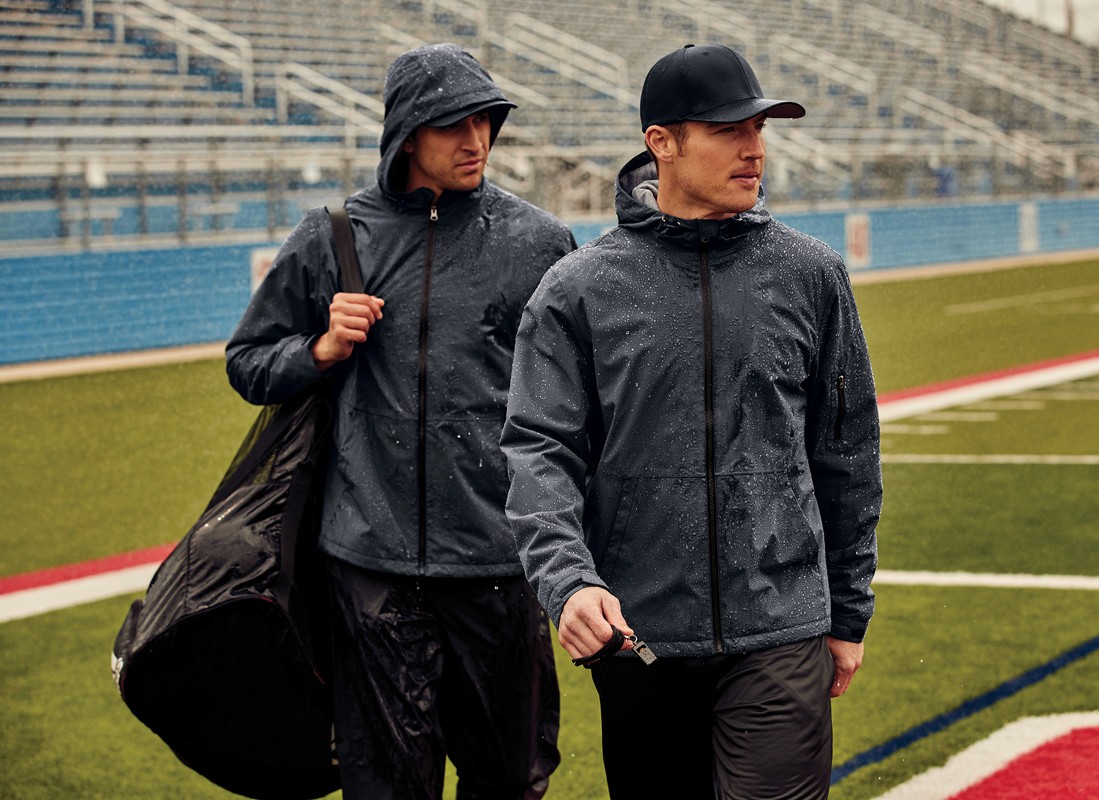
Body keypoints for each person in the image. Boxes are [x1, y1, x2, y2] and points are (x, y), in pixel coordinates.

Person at [501, 44, 882, 799]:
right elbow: (538, 450)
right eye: (728, 129)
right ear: (662, 143)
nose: (754, 148)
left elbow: (847, 450)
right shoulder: (579, 290)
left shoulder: (811, 275)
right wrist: (568, 583)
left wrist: (847, 608)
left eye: (761, 128)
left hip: (781, 629)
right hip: (640, 638)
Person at [226, 43, 576, 800]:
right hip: (370, 570)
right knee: (386, 789)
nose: (476, 138)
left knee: (509, 783)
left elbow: (576, 403)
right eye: (454, 123)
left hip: (497, 566)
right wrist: (318, 347)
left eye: (486, 119)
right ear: (408, 133)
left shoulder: (540, 244)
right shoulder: (333, 236)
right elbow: (247, 362)